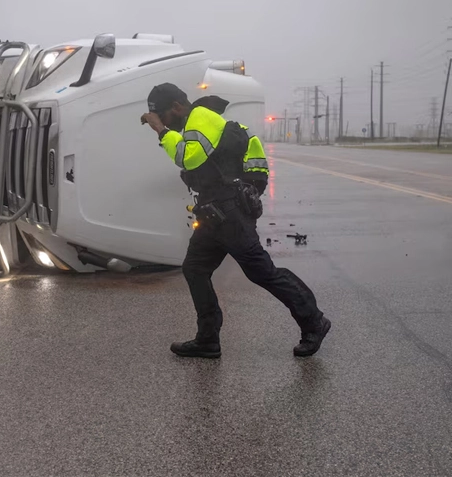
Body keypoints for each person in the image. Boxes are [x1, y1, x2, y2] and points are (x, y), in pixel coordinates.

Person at [140, 82, 330, 359]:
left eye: (164, 116)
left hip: (228, 214)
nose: (163, 122)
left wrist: (161, 130)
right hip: (214, 213)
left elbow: (188, 158)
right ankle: (207, 339)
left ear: (178, 107)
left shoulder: (200, 117)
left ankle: (314, 321)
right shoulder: (201, 121)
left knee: (262, 272)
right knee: (194, 268)